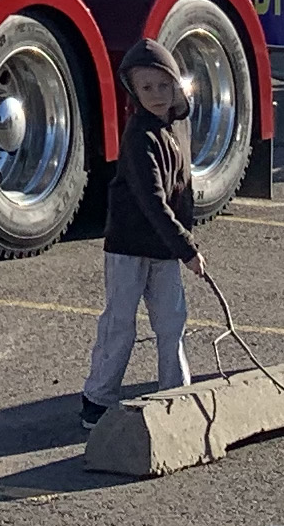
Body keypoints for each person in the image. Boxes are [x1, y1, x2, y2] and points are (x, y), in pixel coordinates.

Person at [80, 37, 197, 424]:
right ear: (133, 91)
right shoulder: (138, 139)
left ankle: (176, 393)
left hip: (164, 247)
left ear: (177, 85)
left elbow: (184, 188)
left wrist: (181, 242)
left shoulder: (178, 128)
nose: (157, 95)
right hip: (130, 246)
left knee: (171, 321)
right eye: (147, 88)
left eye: (164, 85)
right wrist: (187, 247)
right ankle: (97, 400)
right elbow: (152, 201)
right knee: (120, 323)